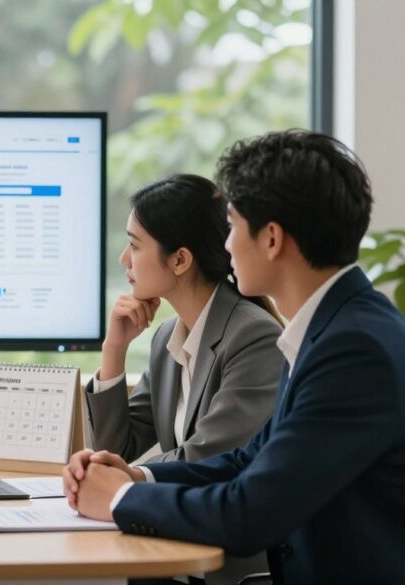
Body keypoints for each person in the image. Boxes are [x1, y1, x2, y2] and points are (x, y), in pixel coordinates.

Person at [64, 130, 405, 584]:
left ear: (272, 239)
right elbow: (249, 461)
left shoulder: (354, 349)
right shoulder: (332, 327)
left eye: (234, 225)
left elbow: (249, 513)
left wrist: (120, 498)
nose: (225, 245)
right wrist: (139, 479)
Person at [86, 175, 284, 584]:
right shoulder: (166, 337)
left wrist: (123, 478)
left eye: (135, 245)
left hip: (227, 561)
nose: (124, 258)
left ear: (179, 260)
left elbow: (209, 457)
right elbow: (115, 447)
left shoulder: (253, 335)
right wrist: (114, 350)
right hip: (173, 544)